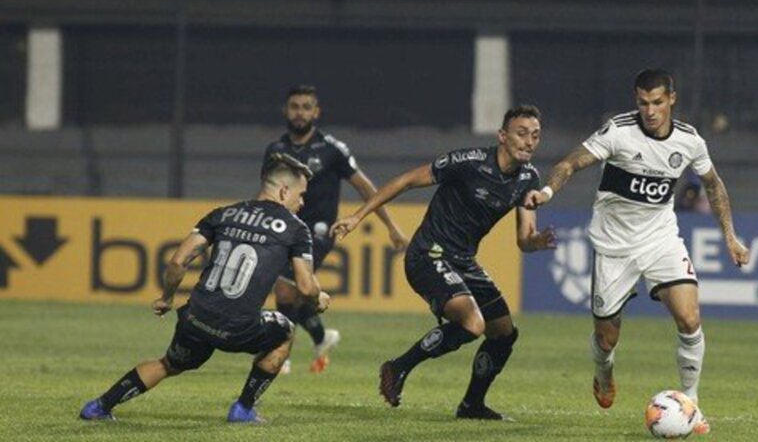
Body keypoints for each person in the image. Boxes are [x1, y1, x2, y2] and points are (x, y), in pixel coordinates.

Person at [524, 69, 750, 434]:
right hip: (613, 247)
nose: (650, 110)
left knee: (690, 319)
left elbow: (713, 184)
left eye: (658, 102)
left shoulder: (689, 141)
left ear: (671, 100)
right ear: (636, 101)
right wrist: (547, 194)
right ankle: (603, 373)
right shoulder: (619, 131)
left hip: (660, 239)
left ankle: (691, 404)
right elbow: (569, 164)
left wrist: (730, 237)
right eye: (643, 103)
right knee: (606, 339)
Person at [331, 105, 556, 420]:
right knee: (473, 324)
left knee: (504, 333)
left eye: (535, 136)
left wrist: (536, 242)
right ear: (503, 136)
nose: (529, 142)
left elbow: (523, 239)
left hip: (464, 261)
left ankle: (471, 405)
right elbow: (406, 181)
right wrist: (357, 216)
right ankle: (398, 367)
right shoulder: (470, 162)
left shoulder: (528, 177)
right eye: (521, 134)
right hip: (428, 253)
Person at [79, 153, 330, 423]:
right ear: (283, 190)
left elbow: (178, 261)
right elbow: (305, 286)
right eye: (301, 194)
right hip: (240, 328)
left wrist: (167, 298)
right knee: (285, 332)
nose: (302, 203)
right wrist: (319, 298)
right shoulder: (295, 229)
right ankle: (244, 408)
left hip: (196, 318)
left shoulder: (222, 213)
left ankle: (99, 406)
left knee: (169, 364)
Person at [264, 85, 407, 374]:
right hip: (283, 227)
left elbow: (367, 188)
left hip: (318, 231)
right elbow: (267, 192)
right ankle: (321, 337)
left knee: (285, 286)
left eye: (306, 107)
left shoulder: (332, 149)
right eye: (294, 106)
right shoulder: (276, 150)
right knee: (297, 293)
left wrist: (391, 226)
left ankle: (281, 354)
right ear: (286, 111)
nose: (300, 112)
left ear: (316, 112)